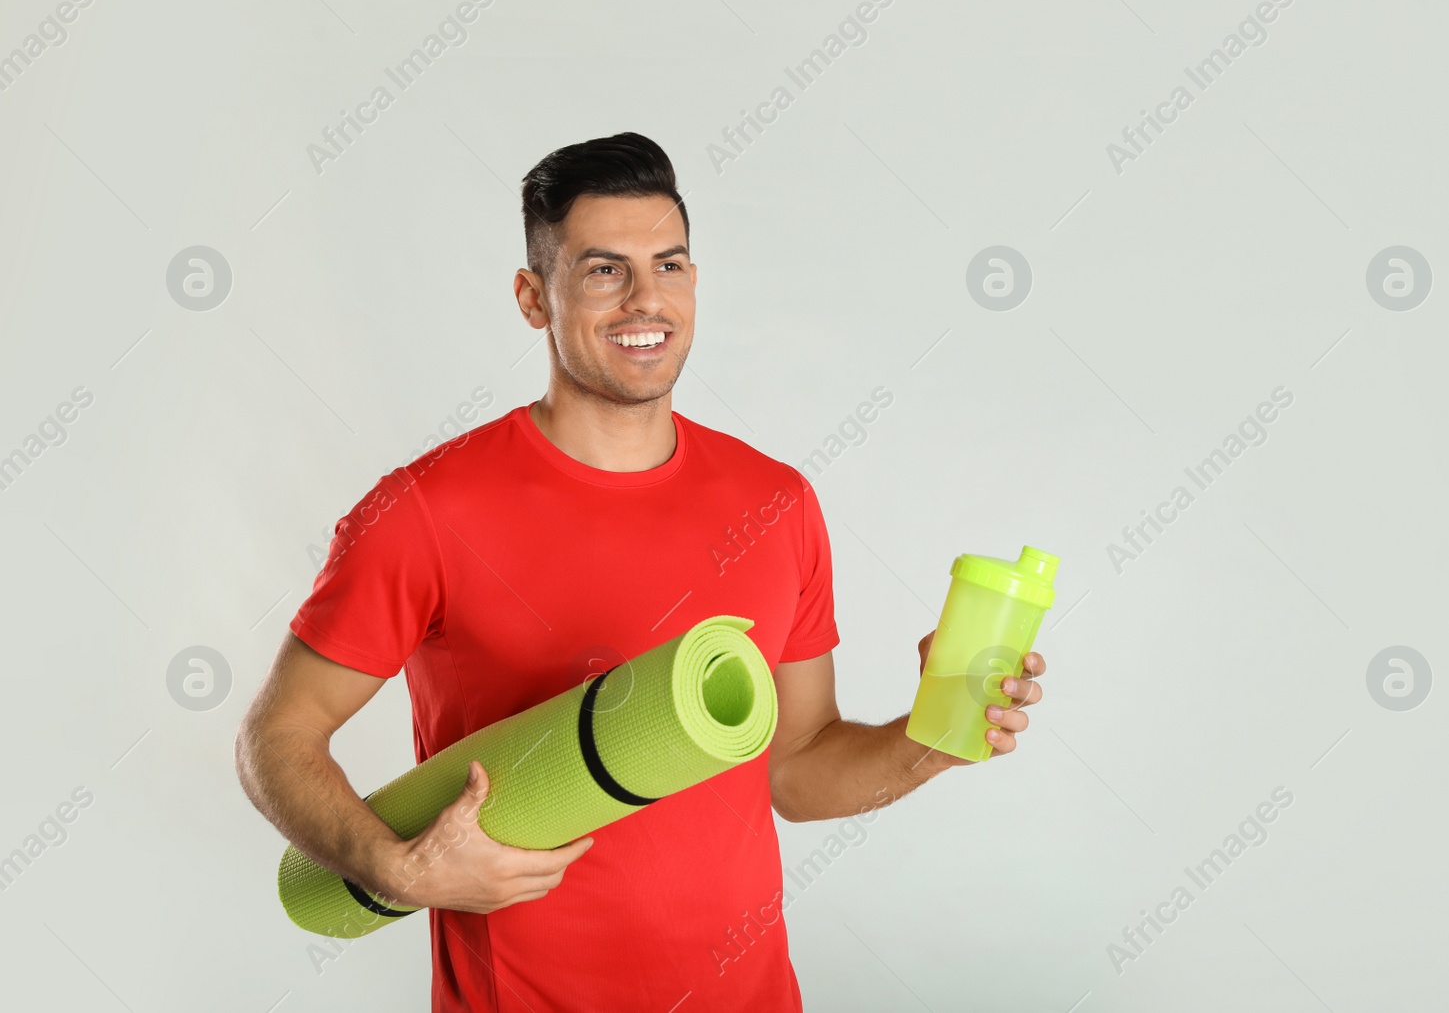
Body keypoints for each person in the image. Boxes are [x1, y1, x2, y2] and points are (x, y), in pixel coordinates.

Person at [234, 131, 1048, 1011]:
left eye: (669, 264)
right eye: (603, 271)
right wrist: (398, 866)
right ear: (531, 297)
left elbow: (796, 769)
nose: (645, 299)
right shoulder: (426, 512)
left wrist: (928, 740)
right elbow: (274, 740)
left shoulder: (777, 504)